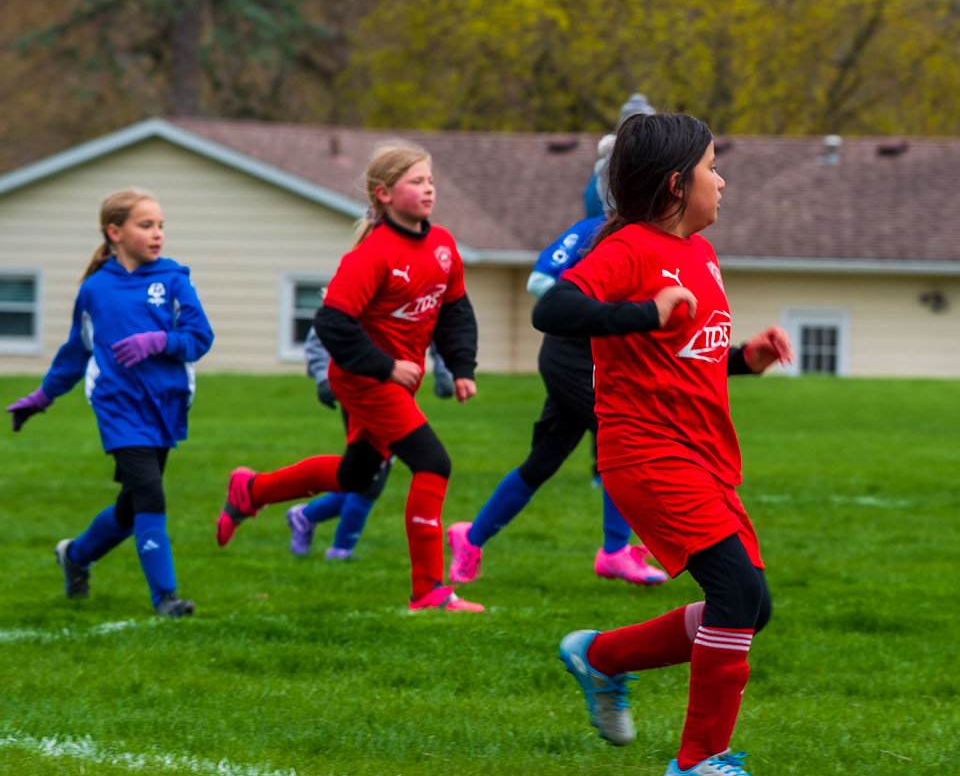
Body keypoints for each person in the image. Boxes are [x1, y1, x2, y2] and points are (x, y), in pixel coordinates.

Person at [534, 112, 795, 776]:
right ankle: (697, 763)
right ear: (679, 185)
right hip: (646, 453)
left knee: (751, 606)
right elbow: (553, 311)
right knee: (734, 591)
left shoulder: (701, 255)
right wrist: (643, 313)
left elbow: (687, 356)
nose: (724, 180)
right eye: (713, 168)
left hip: (703, 456)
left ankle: (601, 656)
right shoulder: (631, 250)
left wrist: (746, 358)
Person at [214, 141, 483, 613]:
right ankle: (429, 591)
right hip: (364, 379)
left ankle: (251, 490)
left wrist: (461, 367)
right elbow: (332, 323)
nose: (428, 189)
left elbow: (455, 309)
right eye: (416, 181)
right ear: (384, 193)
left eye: (431, 180)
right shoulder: (372, 254)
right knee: (433, 463)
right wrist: (386, 366)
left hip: (395, 380)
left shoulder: (441, 244)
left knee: (355, 475)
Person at [446, 133, 666, 587]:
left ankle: (471, 537)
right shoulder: (589, 232)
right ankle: (616, 550)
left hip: (599, 360)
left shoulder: (646, 241)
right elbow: (538, 283)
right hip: (569, 356)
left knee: (542, 462)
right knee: (622, 436)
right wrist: (596, 309)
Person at [7, 189, 213, 616]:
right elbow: (76, 352)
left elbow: (200, 339)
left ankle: (76, 556)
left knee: (130, 506)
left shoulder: (175, 279)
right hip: (118, 408)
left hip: (166, 406)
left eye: (160, 225)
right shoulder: (94, 290)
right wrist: (41, 397)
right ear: (114, 232)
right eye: (146, 225)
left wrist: (159, 340)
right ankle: (167, 600)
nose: (157, 234)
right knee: (151, 497)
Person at [285, 327, 454, 560]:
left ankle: (306, 516)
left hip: (398, 394)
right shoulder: (356, 294)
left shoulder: (419, 293)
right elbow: (323, 332)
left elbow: (434, 324)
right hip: (359, 389)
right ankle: (339, 548)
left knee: (364, 475)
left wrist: (444, 370)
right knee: (370, 477)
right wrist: (323, 378)